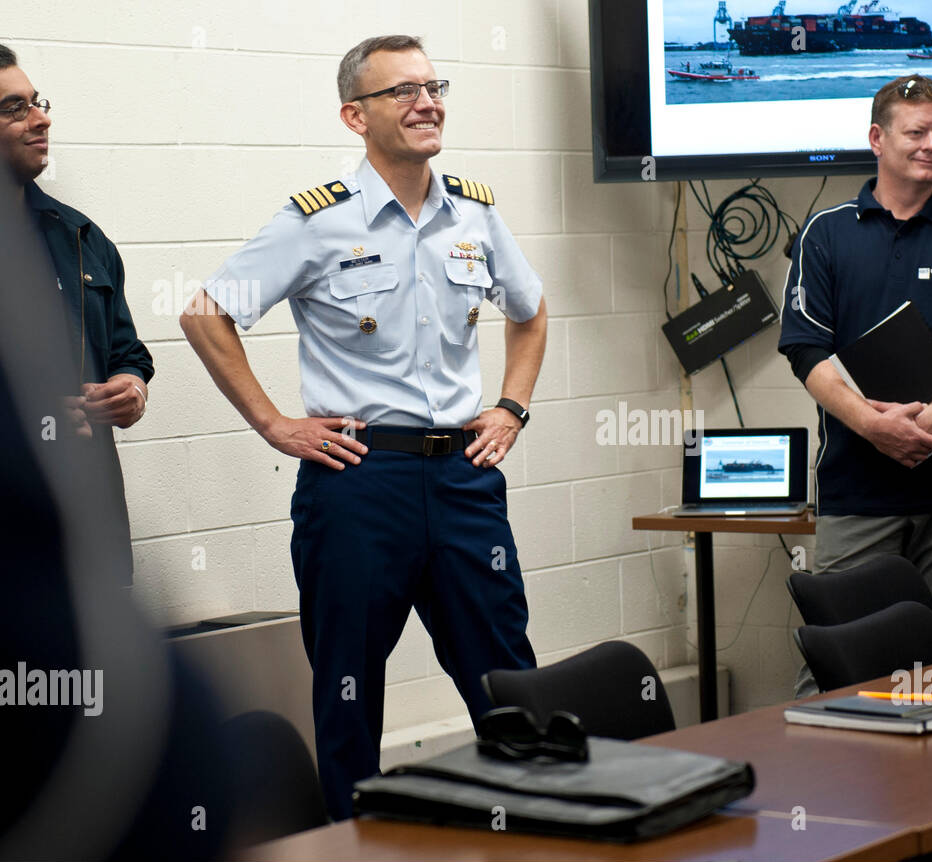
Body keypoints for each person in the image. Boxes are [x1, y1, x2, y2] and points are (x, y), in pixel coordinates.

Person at [180, 35, 547, 819]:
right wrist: (274, 423)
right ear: (355, 115)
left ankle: (543, 829)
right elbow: (205, 312)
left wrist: (511, 407)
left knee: (509, 679)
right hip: (358, 482)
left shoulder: (474, 212)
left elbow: (531, 309)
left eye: (434, 85)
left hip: (462, 480)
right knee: (348, 688)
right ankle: (348, 841)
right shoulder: (317, 220)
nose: (428, 101)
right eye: (403, 91)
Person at [778, 74, 932, 696]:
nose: (930, 145)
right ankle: (821, 794)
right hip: (858, 488)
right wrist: (874, 427)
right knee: (839, 669)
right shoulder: (826, 233)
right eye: (915, 132)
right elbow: (804, 348)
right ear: (876, 138)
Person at [0, 44, 153, 588]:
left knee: (93, 675)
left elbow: (128, 352)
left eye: (36, 102)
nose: (41, 118)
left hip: (86, 541)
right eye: (13, 108)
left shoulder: (80, 237)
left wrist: (131, 386)